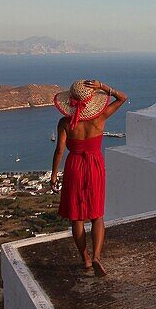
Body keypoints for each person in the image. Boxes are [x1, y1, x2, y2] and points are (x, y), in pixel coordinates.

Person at [50, 79, 127, 276]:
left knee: (76, 217)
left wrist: (53, 175)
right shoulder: (100, 118)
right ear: (91, 100)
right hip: (95, 166)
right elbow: (123, 98)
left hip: (74, 166)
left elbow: (59, 150)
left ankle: (84, 259)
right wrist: (103, 87)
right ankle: (96, 257)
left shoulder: (65, 123)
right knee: (97, 215)